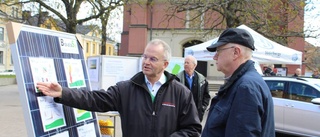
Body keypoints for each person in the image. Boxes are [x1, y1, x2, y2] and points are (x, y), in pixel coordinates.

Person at [37, 39, 202, 137]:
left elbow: (192, 129)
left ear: (165, 64)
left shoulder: (181, 93)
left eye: (153, 59)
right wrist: (63, 93)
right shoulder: (126, 89)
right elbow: (94, 99)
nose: (146, 62)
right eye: (145, 57)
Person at [201, 28, 275, 137]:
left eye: (219, 51)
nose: (214, 57)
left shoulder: (246, 87)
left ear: (236, 52)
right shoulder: (244, 83)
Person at [176, 55, 211, 121]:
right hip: (181, 113)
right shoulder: (177, 78)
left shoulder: (202, 79)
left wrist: (203, 108)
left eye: (188, 63)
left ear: (194, 65)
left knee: (195, 130)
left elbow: (206, 96)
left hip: (197, 114)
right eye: (185, 62)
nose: (185, 64)